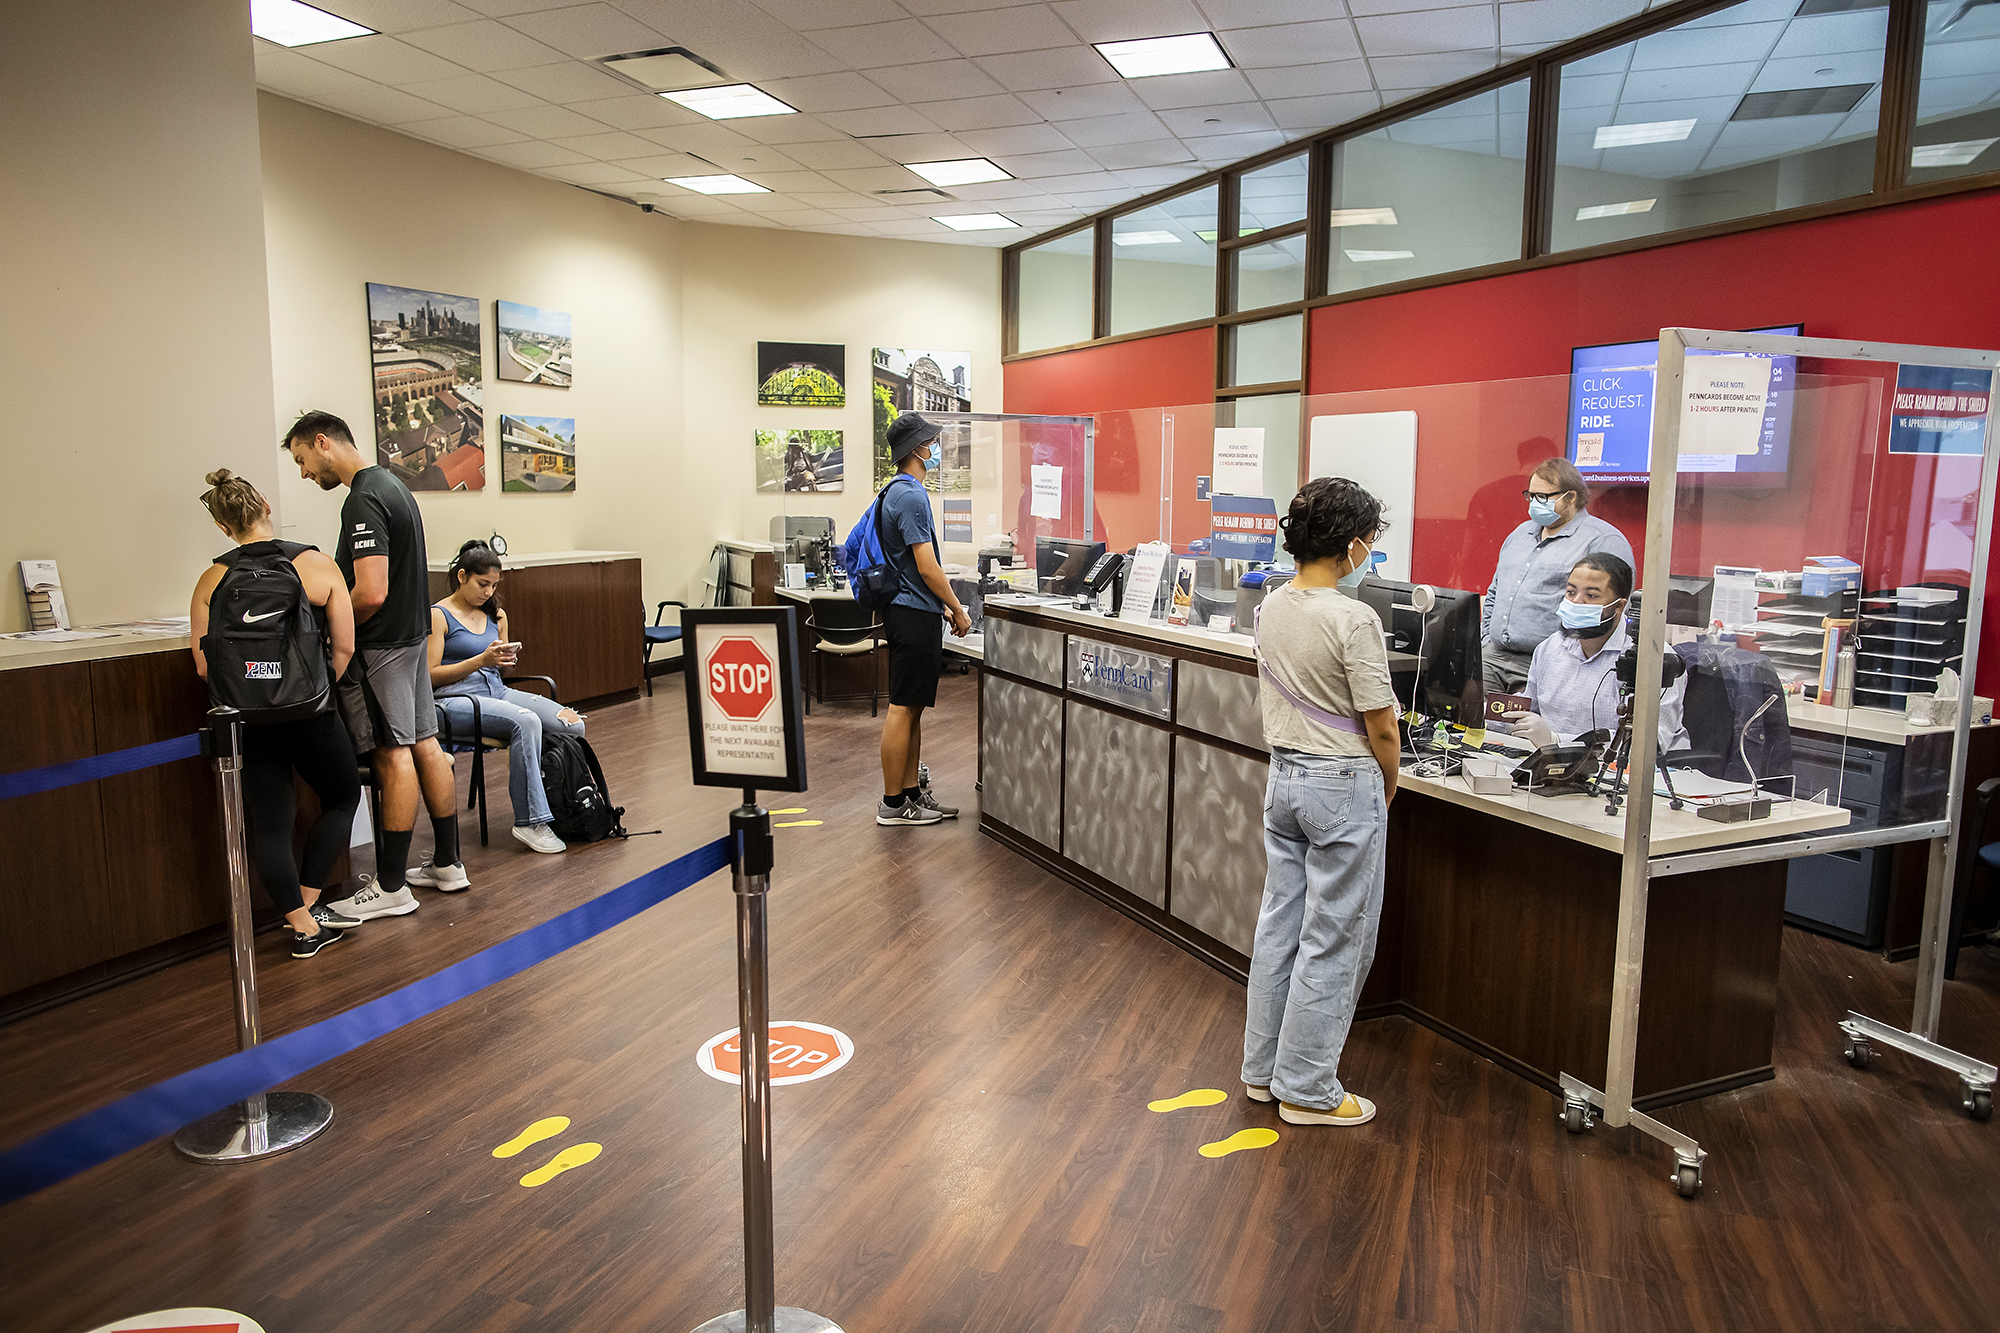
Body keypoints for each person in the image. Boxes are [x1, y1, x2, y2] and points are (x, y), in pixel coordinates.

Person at [1242, 476, 1402, 1128]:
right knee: (1336, 936)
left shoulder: (1270, 604)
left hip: (1283, 780)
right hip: (1342, 785)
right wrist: (1388, 784)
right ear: (1353, 545)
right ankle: (1307, 1088)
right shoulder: (1353, 618)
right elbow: (1382, 725)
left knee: (1281, 924)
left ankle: (1263, 1072)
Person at [283, 410, 469, 919]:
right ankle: (448, 864)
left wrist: (331, 627)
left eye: (302, 460)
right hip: (409, 640)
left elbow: (370, 591)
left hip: (381, 646)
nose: (304, 473)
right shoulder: (395, 485)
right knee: (427, 745)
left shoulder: (363, 498)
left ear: (323, 444)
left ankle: (390, 888)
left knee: (393, 755)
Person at [189, 469, 364, 960]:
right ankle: (311, 907)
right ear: (266, 504)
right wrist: (309, 687)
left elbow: (204, 665)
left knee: (267, 823)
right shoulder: (317, 565)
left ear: (223, 528)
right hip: (311, 711)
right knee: (343, 793)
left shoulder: (213, 578)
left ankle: (302, 922)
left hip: (245, 718)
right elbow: (345, 648)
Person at [428, 540, 584, 854]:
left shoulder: (497, 616)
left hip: (496, 693)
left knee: (572, 724)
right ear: (462, 576)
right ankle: (530, 820)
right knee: (524, 722)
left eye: (494, 585)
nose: (488, 592)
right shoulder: (439, 616)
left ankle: (559, 802)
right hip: (452, 700)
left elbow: (502, 675)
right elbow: (429, 676)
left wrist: (505, 661)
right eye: (482, 584)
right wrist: (479, 661)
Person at [875, 411, 973, 828]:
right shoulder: (911, 497)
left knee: (912, 707)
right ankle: (893, 804)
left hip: (906, 610)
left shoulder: (893, 492)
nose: (934, 449)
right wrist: (957, 605)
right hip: (913, 611)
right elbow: (928, 566)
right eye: (930, 443)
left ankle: (910, 793)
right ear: (915, 448)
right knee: (902, 707)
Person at [1504, 553, 1686, 753]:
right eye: (1571, 592)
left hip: (1623, 774)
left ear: (1618, 606)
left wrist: (1556, 740)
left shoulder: (1653, 661)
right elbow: (1529, 712)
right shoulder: (1549, 648)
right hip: (1553, 765)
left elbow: (1648, 746)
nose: (1576, 602)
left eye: (1591, 596)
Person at [1481, 457, 1633, 695]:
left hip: (1551, 662)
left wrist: (1568, 659)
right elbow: (1495, 592)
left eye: (1543, 497)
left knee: (1526, 730)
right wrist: (1486, 639)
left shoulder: (1603, 540)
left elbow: (1611, 609)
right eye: (1531, 496)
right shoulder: (1520, 534)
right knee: (1475, 728)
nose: (1534, 503)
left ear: (1571, 497)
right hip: (1494, 657)